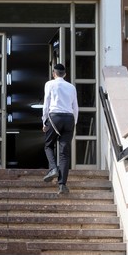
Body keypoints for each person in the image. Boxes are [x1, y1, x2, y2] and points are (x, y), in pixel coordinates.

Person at [42, 64, 79, 194]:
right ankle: (62, 185)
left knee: (48, 145)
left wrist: (44, 121)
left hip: (55, 117)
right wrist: (74, 122)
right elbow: (75, 107)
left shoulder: (49, 84)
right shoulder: (71, 87)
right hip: (69, 118)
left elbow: (46, 103)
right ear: (65, 74)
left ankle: (53, 168)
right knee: (64, 153)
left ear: (54, 73)